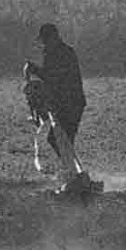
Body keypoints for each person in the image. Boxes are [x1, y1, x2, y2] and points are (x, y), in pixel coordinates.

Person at [34, 24, 89, 189]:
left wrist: (33, 69)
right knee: (62, 142)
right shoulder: (64, 52)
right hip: (69, 103)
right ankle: (71, 175)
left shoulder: (59, 54)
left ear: (52, 38)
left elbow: (52, 77)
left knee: (60, 141)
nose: (44, 43)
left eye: (45, 40)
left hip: (70, 104)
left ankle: (73, 177)